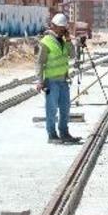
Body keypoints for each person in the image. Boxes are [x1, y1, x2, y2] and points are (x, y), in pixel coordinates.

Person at [35, 13, 80, 143]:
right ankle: (52, 135)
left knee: (65, 108)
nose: (63, 30)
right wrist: (40, 81)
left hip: (63, 81)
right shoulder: (45, 42)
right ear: (53, 26)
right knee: (52, 109)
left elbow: (72, 55)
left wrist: (68, 40)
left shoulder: (64, 41)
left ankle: (64, 133)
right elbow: (39, 62)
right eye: (60, 27)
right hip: (51, 81)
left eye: (64, 28)